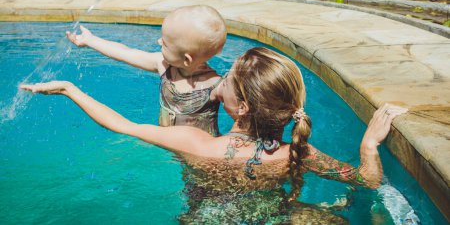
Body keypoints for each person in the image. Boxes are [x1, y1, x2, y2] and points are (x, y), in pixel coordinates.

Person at [21, 47, 407, 222]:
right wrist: (368, 143)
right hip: (270, 217)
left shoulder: (196, 142)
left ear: (238, 108)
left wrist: (70, 89)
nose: (221, 77)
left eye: (229, 77)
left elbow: (121, 124)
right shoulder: (297, 154)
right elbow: (367, 180)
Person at [66, 5, 227, 136]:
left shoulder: (216, 86)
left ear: (186, 59)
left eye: (165, 43)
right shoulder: (163, 65)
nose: (158, 41)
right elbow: (125, 53)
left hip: (198, 157)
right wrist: (91, 41)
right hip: (163, 145)